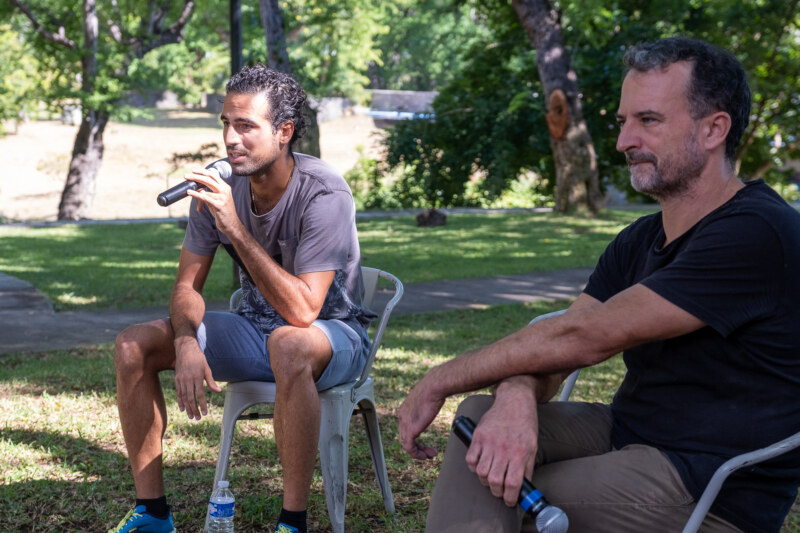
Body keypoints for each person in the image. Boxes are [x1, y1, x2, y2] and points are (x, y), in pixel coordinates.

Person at [398, 37, 800, 533]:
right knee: (485, 419)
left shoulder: (758, 232)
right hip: (629, 434)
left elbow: (586, 338)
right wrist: (519, 392)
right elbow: (564, 335)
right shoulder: (640, 238)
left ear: (715, 128)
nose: (624, 141)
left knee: (494, 485)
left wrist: (441, 376)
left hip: (711, 483)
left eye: (648, 121)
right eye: (622, 121)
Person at [109, 65, 375, 533]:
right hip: (256, 329)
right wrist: (187, 341)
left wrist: (233, 225)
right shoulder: (218, 189)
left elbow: (304, 311)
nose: (231, 139)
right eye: (226, 124)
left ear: (284, 132)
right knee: (135, 345)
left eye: (246, 126)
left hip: (333, 335)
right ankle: (153, 513)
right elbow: (186, 288)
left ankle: (292, 521)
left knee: (290, 342)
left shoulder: (324, 193)